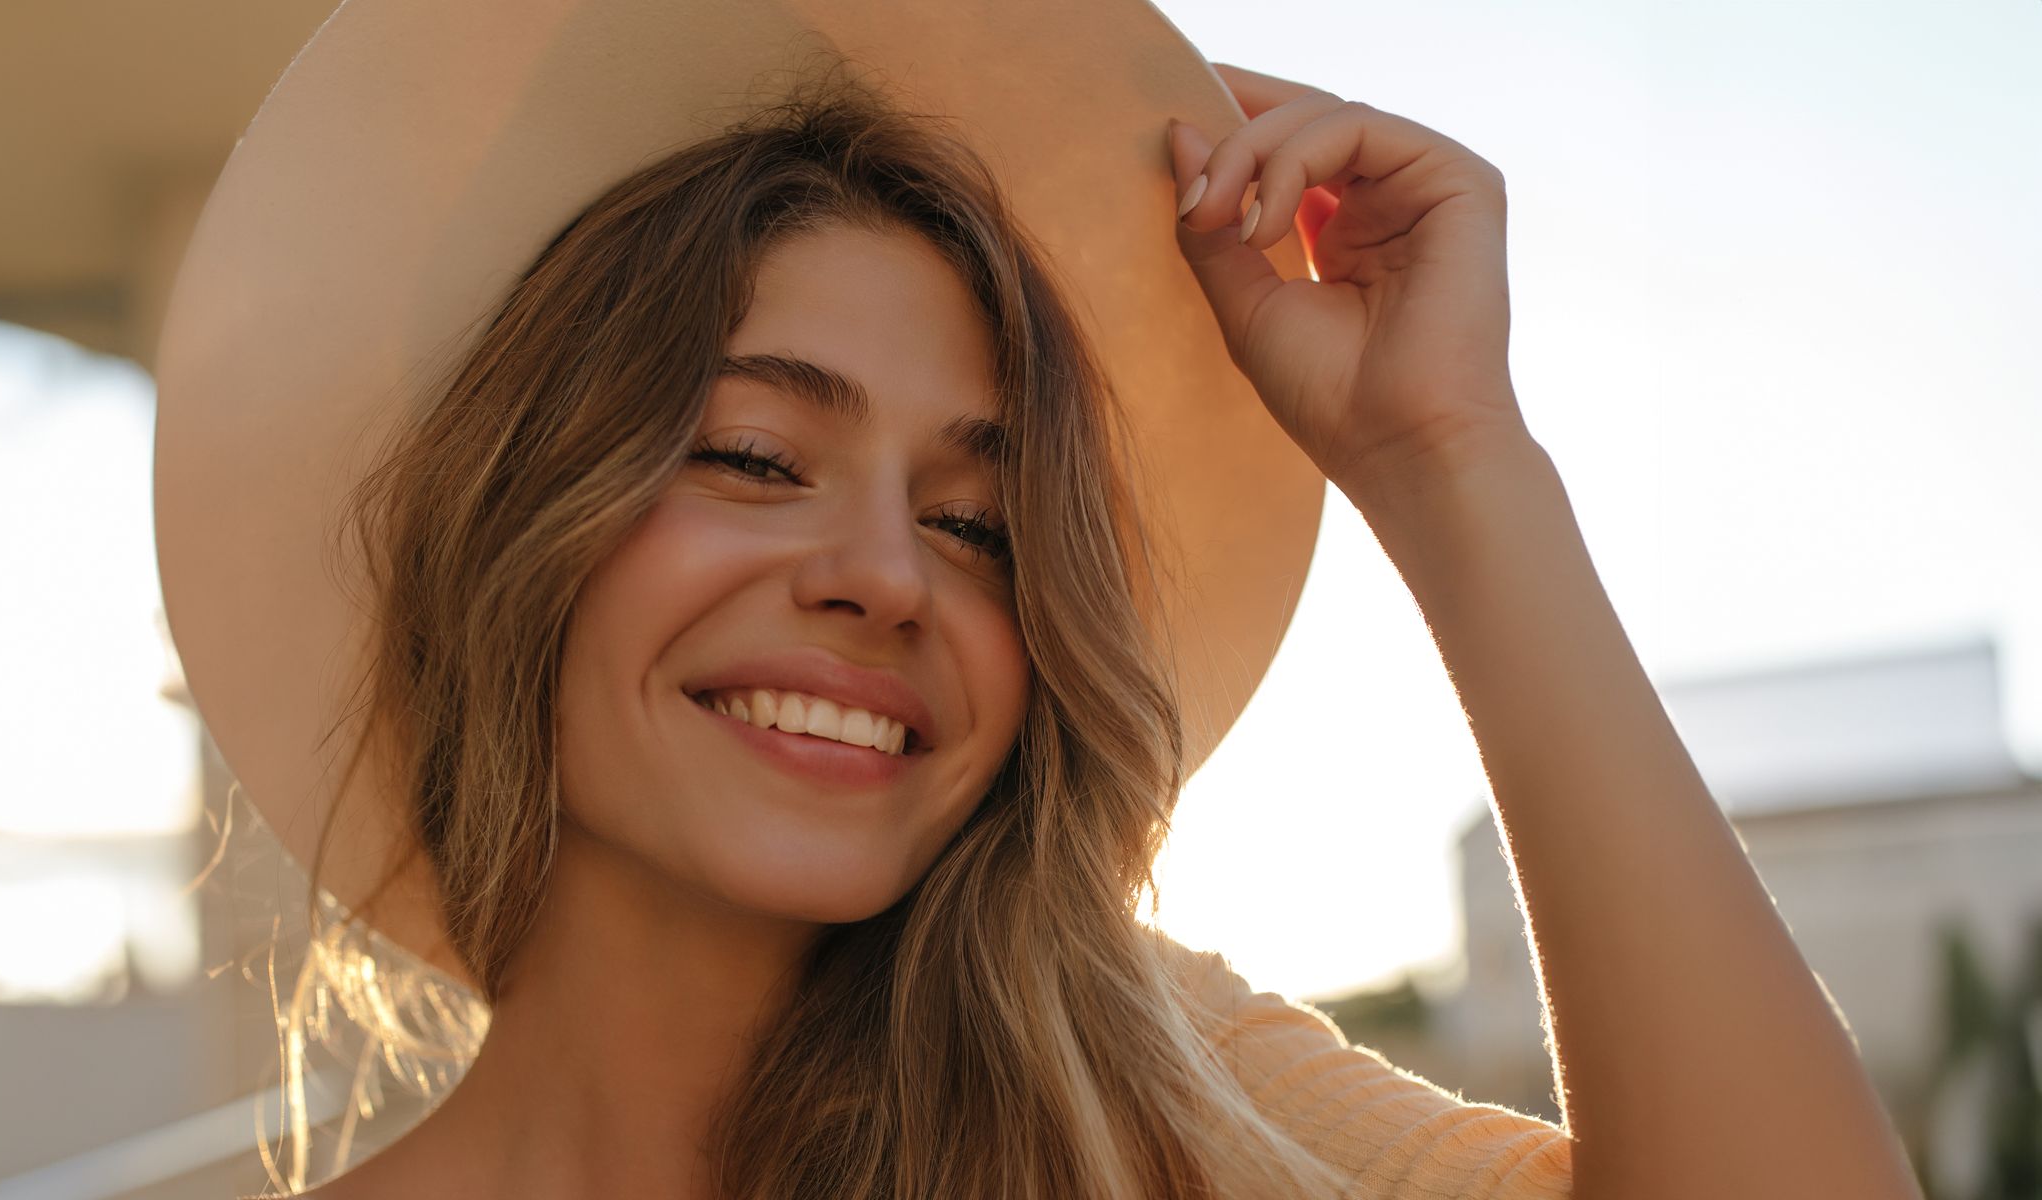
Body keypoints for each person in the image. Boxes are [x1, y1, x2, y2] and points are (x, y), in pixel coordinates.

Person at [153, 2, 1923, 1197]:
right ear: (516, 535)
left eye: (981, 525)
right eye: (756, 458)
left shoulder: (1157, 1085)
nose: (881, 577)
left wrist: (1454, 462)